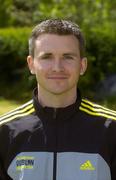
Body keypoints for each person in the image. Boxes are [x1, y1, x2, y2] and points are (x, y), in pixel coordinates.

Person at [0, 19, 116, 180]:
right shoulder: (5, 131)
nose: (57, 67)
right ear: (31, 64)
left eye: (68, 57)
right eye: (47, 57)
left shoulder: (111, 129)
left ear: (82, 66)